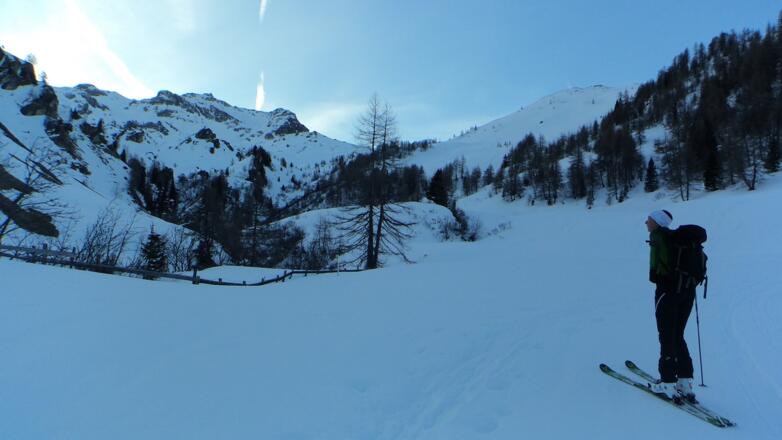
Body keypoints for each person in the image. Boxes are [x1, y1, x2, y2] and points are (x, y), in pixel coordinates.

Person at [645, 209, 697, 403]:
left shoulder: (658, 237)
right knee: (678, 335)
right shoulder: (680, 240)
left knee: (666, 335)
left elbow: (653, 275)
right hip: (687, 292)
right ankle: (685, 382)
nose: (646, 223)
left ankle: (667, 382)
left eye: (649, 220)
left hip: (667, 293)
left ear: (657, 222)